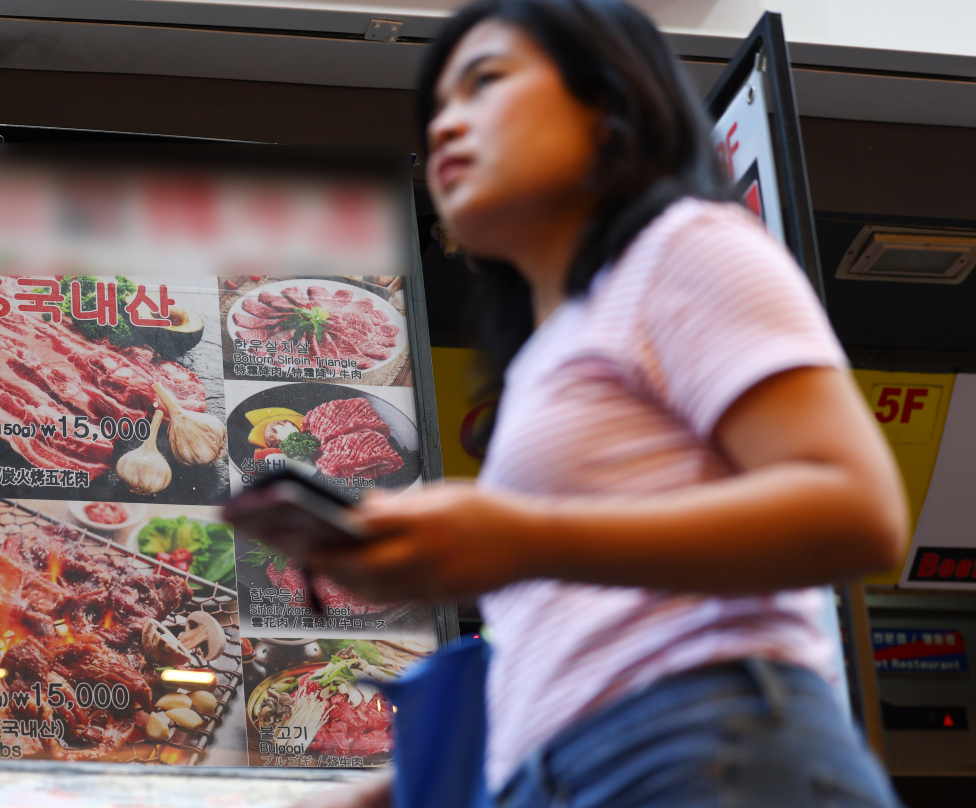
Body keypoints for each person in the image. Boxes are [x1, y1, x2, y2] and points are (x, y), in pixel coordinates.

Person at [299, 1, 909, 806]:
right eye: (438, 107)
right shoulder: (553, 355)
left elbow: (859, 513)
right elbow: (572, 648)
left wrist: (520, 537)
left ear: (608, 102)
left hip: (699, 746)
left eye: (485, 82)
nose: (447, 124)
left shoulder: (683, 247)